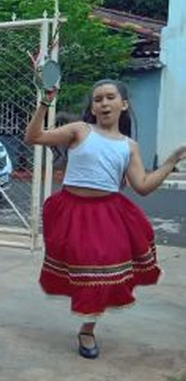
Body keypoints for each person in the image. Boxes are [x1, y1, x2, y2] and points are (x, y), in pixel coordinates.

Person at [25, 79, 184, 359]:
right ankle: (86, 314)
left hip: (108, 212)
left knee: (101, 267)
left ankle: (87, 328)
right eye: (97, 99)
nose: (103, 103)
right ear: (93, 107)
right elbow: (34, 137)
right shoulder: (79, 130)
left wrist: (171, 161)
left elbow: (143, 186)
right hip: (71, 210)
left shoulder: (129, 146)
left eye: (110, 97)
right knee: (78, 262)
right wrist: (46, 101)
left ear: (123, 104)